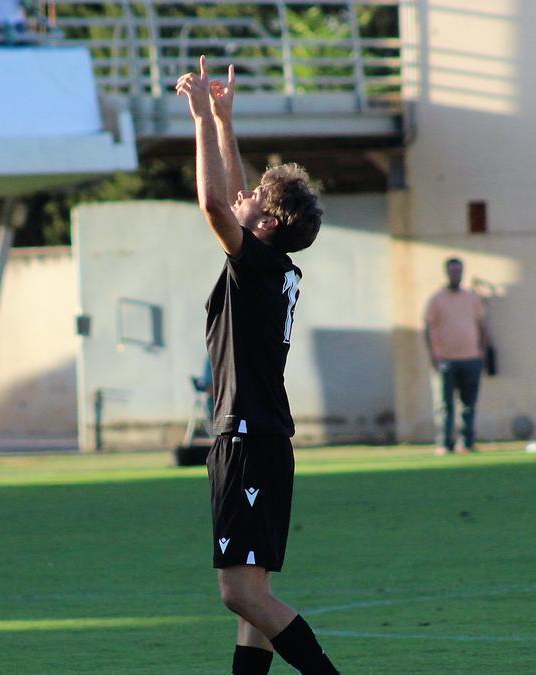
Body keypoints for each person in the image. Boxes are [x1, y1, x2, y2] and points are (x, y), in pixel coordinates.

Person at [175, 56, 337, 674]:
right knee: (255, 604)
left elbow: (218, 203)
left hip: (246, 439)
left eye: (257, 201)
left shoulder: (258, 265)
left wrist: (198, 122)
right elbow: (240, 198)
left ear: (267, 224)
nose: (245, 197)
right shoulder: (276, 267)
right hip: (266, 440)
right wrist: (224, 121)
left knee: (240, 595)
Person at [424, 257, 490, 454]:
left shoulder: (472, 298)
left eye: (458, 270)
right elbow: (428, 329)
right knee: (444, 405)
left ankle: (467, 442)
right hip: (445, 360)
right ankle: (445, 443)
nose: (456, 274)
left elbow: (483, 326)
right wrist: (433, 357)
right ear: (447, 273)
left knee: (468, 403)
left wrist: (483, 353)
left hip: (471, 358)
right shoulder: (436, 300)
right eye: (452, 270)